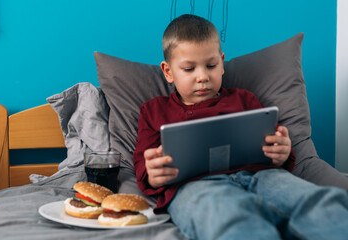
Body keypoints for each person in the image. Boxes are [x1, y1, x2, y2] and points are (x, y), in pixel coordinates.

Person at [133, 14, 348, 239]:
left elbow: (275, 146)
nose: (203, 77)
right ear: (168, 71)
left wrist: (282, 151)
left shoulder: (244, 100)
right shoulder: (153, 110)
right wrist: (152, 174)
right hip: (196, 187)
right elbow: (142, 161)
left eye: (211, 65)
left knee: (320, 203)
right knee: (227, 216)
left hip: (263, 177)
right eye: (189, 69)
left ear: (222, 62)